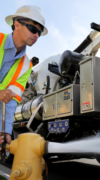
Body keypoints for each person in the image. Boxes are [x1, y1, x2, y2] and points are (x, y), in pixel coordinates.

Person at [0, 5, 48, 150]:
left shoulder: (27, 66)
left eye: (39, 32)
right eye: (33, 29)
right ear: (17, 25)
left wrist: (5, 131)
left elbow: (11, 102)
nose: (36, 35)